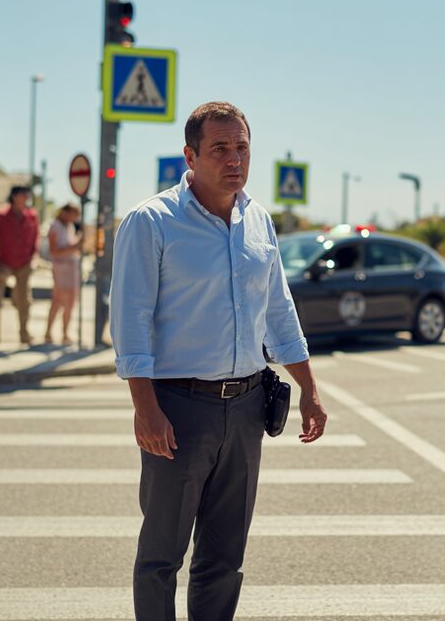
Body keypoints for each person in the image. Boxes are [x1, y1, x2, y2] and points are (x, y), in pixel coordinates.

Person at [111, 101, 329, 621]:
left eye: (242, 148)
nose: (235, 160)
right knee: (162, 555)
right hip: (178, 408)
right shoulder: (151, 222)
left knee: (225, 559)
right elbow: (130, 322)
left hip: (249, 406)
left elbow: (279, 309)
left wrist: (310, 389)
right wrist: (146, 408)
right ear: (190, 155)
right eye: (220, 149)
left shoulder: (259, 220)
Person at [0, 185, 39, 350]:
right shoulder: (0, 215)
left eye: (27, 195)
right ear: (14, 196)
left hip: (24, 264)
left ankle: (24, 335)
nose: (26, 198)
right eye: (23, 194)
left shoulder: (32, 216)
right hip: (2, 263)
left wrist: (33, 260)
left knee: (24, 301)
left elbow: (36, 239)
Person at [44, 202, 83, 345]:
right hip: (61, 267)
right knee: (58, 300)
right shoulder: (55, 226)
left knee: (70, 302)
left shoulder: (70, 227)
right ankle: (48, 333)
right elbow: (54, 251)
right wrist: (75, 246)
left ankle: (65, 333)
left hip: (71, 266)